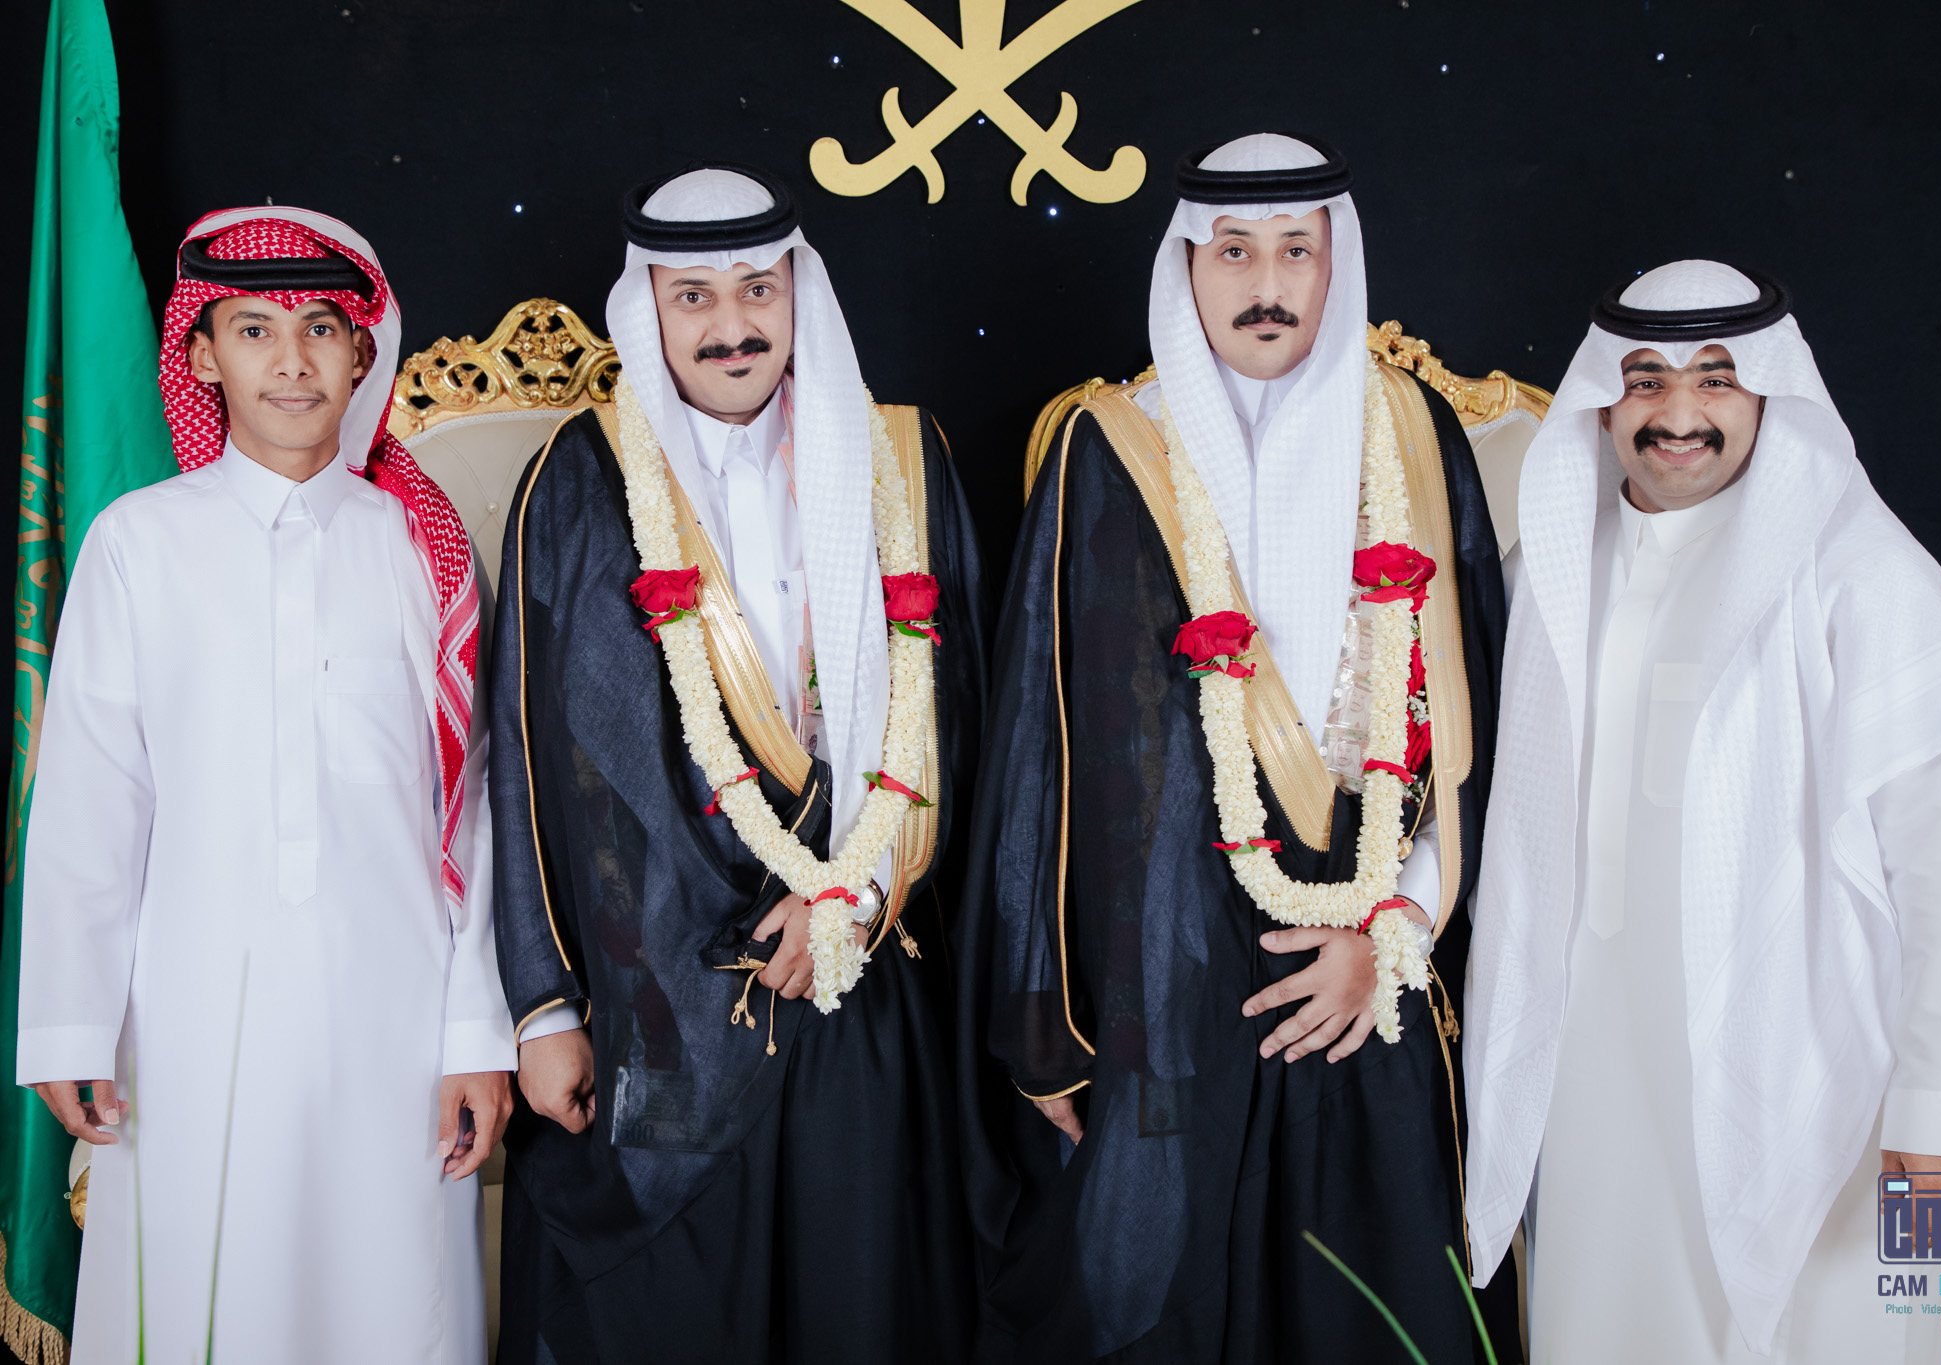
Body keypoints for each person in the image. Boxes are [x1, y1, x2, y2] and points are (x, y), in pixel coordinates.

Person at [957, 133, 1507, 1363]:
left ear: (1334, 263)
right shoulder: (1109, 446)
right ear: (1187, 267)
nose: (1266, 284)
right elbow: (1038, 752)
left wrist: (1394, 933)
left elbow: (1475, 741)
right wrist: (1045, 1030)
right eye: (1234, 252)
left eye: (1295, 251)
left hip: (1373, 971)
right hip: (1159, 992)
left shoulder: (1410, 435)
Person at [1463, 260, 1941, 1362]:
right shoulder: (1548, 573)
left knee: (1855, 1330)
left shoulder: (1863, 575)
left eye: (1715, 378)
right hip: (1592, 1076)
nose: (1678, 413)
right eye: (1645, 380)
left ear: (1769, 391)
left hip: (1821, 1080)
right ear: (1601, 400)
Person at [491, 163, 989, 1364]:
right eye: (694, 297)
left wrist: (856, 895)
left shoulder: (898, 460)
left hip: (853, 971)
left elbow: (957, 716)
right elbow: (526, 759)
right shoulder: (580, 475)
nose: (732, 326)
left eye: (757, 289)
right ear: (648, 309)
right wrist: (543, 1006)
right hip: (651, 1011)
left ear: (796, 292)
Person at [13, 208, 512, 1362]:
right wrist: (73, 1020)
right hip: (184, 1019)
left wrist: (475, 1032)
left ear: (362, 352)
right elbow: (91, 802)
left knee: (391, 1302)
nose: (291, 361)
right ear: (201, 354)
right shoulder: (138, 545)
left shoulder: (421, 550)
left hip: (395, 1018)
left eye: (321, 328)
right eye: (254, 330)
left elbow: (476, 813)